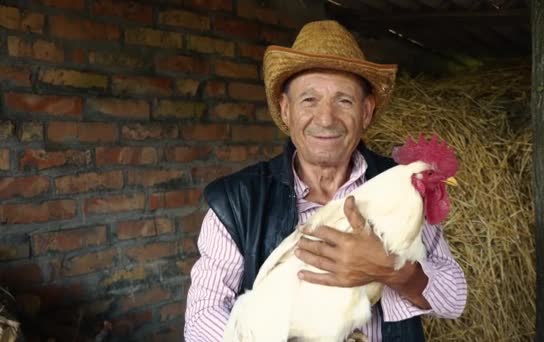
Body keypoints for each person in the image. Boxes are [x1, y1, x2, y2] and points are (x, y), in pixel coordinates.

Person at [184, 20, 467, 341]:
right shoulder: (238, 201)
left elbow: (454, 298)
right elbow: (202, 315)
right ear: (285, 109)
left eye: (343, 100)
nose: (326, 118)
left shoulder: (403, 190)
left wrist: (392, 272)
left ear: (366, 112)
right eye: (309, 100)